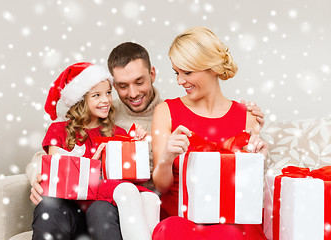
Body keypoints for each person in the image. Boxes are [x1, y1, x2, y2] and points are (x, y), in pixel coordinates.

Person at [27, 42, 266, 240]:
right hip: (90, 195)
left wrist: (250, 129)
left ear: (152, 74)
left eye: (139, 82)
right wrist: (39, 177)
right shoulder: (104, 109)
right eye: (121, 86)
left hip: (127, 204)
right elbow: (57, 146)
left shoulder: (171, 112)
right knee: (50, 206)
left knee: (104, 210)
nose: (132, 93)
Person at [151, 26, 268, 239]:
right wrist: (167, 157)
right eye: (177, 73)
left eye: (187, 72)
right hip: (183, 221)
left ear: (212, 68)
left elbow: (247, 188)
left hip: (232, 220)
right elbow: (161, 185)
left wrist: (259, 158)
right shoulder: (165, 111)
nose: (180, 81)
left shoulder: (247, 116)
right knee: (172, 230)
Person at [32, 62, 159, 240]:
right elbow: (57, 173)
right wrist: (91, 164)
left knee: (101, 210)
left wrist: (135, 145)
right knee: (48, 206)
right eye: (97, 95)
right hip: (70, 211)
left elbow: (129, 178)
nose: (106, 100)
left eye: (108, 93)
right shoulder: (58, 130)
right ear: (80, 100)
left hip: (103, 210)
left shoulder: (118, 133)